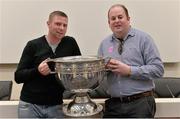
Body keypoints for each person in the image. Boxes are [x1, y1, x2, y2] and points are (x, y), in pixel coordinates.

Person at [97, 4, 164, 118]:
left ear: (128, 19)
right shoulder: (104, 44)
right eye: (113, 19)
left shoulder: (144, 39)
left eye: (120, 17)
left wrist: (129, 70)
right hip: (114, 105)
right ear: (109, 23)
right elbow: (99, 75)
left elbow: (158, 69)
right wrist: (103, 70)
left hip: (140, 103)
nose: (116, 21)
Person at [14, 11, 81, 118]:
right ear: (48, 24)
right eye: (58, 24)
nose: (62, 28)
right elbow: (18, 76)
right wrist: (37, 71)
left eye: (65, 25)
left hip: (56, 105)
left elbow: (79, 69)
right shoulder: (33, 45)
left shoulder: (70, 43)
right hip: (31, 106)